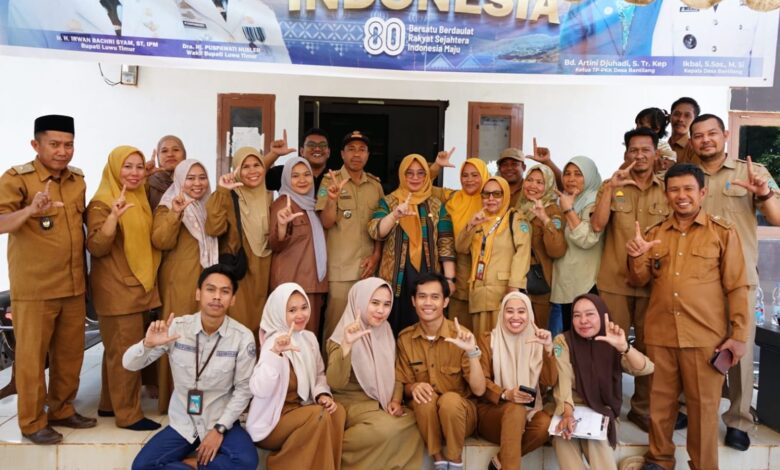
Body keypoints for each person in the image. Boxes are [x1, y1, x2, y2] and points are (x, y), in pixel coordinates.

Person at [627, 163, 750, 470]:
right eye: (674, 190)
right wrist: (636, 256)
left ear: (702, 193)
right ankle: (659, 460)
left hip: (704, 337)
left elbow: (737, 286)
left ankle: (704, 465)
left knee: (703, 411)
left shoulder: (722, 232)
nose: (681, 196)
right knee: (660, 406)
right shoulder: (655, 233)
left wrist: (739, 336)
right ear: (666, 194)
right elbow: (639, 280)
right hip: (661, 334)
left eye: (688, 189)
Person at [686, 114, 780, 451]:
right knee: (693, 346)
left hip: (739, 279)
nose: (706, 140)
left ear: (725, 135)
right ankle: (688, 407)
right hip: (695, 277)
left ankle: (738, 419)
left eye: (712, 133)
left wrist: (763, 192)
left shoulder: (750, 172)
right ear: (692, 141)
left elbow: (777, 217)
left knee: (739, 347)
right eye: (699, 135)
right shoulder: (687, 176)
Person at [0, 114, 96, 444]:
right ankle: (31, 422)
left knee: (70, 355)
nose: (62, 151)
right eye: (54, 144)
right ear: (36, 144)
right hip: (35, 288)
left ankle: (62, 409)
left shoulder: (77, 180)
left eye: (68, 144)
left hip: (72, 285)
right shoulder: (17, 179)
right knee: (31, 358)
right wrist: (30, 210)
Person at [124, 264, 258, 470]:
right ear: (198, 294)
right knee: (141, 466)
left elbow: (244, 390)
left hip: (220, 420)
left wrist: (219, 429)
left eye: (225, 292)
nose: (217, 297)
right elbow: (129, 364)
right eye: (210, 289)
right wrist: (147, 344)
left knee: (247, 461)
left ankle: (191, 465)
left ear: (233, 299)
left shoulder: (242, 337)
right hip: (184, 424)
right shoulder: (177, 328)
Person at [590, 128, 672, 433]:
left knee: (651, 347)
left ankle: (642, 409)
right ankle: (609, 404)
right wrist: (611, 187)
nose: (639, 156)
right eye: (633, 150)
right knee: (611, 345)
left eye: (645, 150)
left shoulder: (666, 188)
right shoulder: (611, 185)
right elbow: (597, 225)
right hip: (615, 281)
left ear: (655, 153)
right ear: (626, 154)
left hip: (654, 282)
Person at [87, 145, 161, 431]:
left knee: (116, 351)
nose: (134, 172)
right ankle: (129, 415)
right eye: (127, 166)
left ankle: (109, 404)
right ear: (113, 169)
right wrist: (112, 219)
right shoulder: (102, 203)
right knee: (126, 353)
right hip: (117, 291)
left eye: (139, 167)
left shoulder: (137, 197)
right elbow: (97, 246)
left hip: (133, 288)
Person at [326, 277, 424, 470]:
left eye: (387, 304)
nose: (381, 310)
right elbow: (334, 382)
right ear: (360, 302)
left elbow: (396, 372)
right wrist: (347, 345)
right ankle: (333, 451)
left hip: (381, 402)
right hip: (352, 404)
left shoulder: (385, 330)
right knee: (385, 429)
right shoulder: (342, 335)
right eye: (375, 303)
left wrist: (395, 400)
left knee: (414, 421)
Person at [246, 283, 346, 470]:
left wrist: (322, 395)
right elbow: (259, 389)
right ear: (279, 312)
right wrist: (275, 353)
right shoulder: (274, 342)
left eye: (304, 307)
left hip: (301, 410)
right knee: (318, 415)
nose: (300, 315)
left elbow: (319, 375)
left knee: (336, 411)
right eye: (292, 310)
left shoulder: (309, 338)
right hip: (273, 421)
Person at [552, 293, 654, 470]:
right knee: (562, 437)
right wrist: (567, 414)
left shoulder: (613, 341)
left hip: (603, 409)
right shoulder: (562, 341)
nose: (583, 320)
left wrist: (624, 347)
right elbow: (564, 378)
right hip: (570, 407)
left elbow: (646, 368)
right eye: (577, 315)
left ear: (601, 314)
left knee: (597, 439)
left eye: (590, 314)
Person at [395, 272, 486, 470]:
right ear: (413, 301)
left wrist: (471, 352)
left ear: (445, 302)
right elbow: (403, 383)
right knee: (424, 398)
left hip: (460, 417)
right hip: (427, 419)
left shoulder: (461, 336)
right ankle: (439, 460)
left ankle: (455, 461)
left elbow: (479, 390)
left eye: (435, 297)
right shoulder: (405, 338)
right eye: (422, 296)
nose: (428, 303)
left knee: (450, 401)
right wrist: (414, 387)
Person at [151, 159, 219, 413]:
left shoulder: (207, 205)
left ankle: (199, 401)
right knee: (179, 340)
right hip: (179, 285)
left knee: (203, 341)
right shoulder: (168, 205)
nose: (197, 183)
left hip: (205, 283)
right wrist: (175, 214)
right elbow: (160, 240)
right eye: (190, 178)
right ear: (179, 180)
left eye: (202, 177)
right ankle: (174, 401)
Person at [368, 154, 456, 336]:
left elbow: (445, 242)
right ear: (402, 174)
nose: (415, 178)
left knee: (426, 323)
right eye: (410, 173)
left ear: (427, 176)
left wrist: (449, 279)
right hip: (396, 278)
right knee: (393, 326)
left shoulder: (436, 205)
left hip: (428, 273)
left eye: (420, 173)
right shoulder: (389, 201)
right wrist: (394, 215)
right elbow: (376, 231)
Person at [475, 292, 557, 470]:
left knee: (545, 425)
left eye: (521, 311)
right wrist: (506, 394)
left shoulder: (538, 341)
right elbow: (481, 383)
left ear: (530, 315)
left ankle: (500, 461)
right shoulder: (488, 340)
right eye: (509, 311)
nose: (515, 317)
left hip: (529, 414)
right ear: (501, 313)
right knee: (516, 408)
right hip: (492, 413)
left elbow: (550, 380)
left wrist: (548, 349)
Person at [316, 131, 384, 343]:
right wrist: (332, 199)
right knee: (336, 327)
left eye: (362, 150)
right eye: (351, 149)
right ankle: (331, 365)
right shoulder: (329, 181)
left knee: (366, 327)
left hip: (368, 270)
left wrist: (376, 256)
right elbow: (326, 222)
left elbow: (380, 226)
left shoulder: (375, 185)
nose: (357, 154)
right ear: (342, 154)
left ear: (368, 155)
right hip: (341, 270)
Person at [206, 146, 272, 335]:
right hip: (241, 269)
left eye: (257, 165)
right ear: (236, 171)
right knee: (240, 325)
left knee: (263, 326)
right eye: (245, 166)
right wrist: (222, 191)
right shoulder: (227, 195)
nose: (252, 171)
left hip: (265, 268)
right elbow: (213, 228)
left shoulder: (269, 196)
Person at [456, 176, 532, 335]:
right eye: (486, 194)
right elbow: (461, 248)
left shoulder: (515, 218)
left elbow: (522, 253)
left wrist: (514, 287)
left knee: (503, 341)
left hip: (503, 294)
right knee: (481, 343)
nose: (491, 199)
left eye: (497, 194)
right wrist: (470, 225)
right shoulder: (479, 220)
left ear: (506, 196)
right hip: (478, 295)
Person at [269, 157, 328, 334]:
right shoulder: (283, 203)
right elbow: (275, 243)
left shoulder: (313, 205)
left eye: (306, 174)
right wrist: (281, 226)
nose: (302, 180)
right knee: (289, 339)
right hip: (291, 285)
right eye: (295, 176)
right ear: (286, 179)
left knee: (308, 340)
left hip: (313, 285)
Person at [651, 0, 777, 77]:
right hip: (684, 90)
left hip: (732, 92)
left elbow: (761, 59)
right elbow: (661, 54)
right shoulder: (672, 2)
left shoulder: (758, 3)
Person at [549, 157, 604, 331]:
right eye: (567, 173)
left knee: (586, 335)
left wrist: (568, 210)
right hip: (568, 282)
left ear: (589, 176)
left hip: (587, 284)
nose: (571, 179)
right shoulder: (567, 200)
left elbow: (587, 239)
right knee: (570, 338)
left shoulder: (595, 203)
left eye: (578, 174)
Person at [516, 164, 567, 329]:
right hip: (517, 281)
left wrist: (545, 219)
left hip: (539, 285)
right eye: (529, 180)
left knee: (539, 333)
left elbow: (557, 250)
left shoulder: (553, 211)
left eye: (540, 182)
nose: (533, 185)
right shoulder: (518, 208)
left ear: (549, 185)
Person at [443, 158, 490, 331]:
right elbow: (423, 187)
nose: (469, 180)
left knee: (483, 333)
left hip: (486, 279)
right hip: (458, 275)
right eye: (465, 175)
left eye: (475, 175)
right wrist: (437, 166)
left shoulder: (492, 201)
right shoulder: (452, 199)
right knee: (458, 330)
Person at [264, 128, 330, 192]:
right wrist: (274, 154)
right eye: (311, 145)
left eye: (322, 145)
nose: (317, 149)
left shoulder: (334, 178)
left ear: (328, 153)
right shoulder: (286, 173)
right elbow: (259, 178)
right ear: (302, 151)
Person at [147, 135, 187, 210]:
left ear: (184, 155)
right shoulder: (148, 183)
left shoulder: (195, 182)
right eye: (164, 151)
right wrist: (142, 176)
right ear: (158, 157)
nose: (170, 154)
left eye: (176, 150)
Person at [634, 107, 676, 173]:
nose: (637, 127)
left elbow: (670, 163)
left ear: (656, 129)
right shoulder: (634, 143)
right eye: (637, 124)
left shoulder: (662, 145)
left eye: (642, 124)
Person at [667, 97, 699, 164]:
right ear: (670, 117)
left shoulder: (695, 149)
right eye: (676, 114)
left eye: (687, 115)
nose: (680, 119)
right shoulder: (661, 146)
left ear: (695, 121)